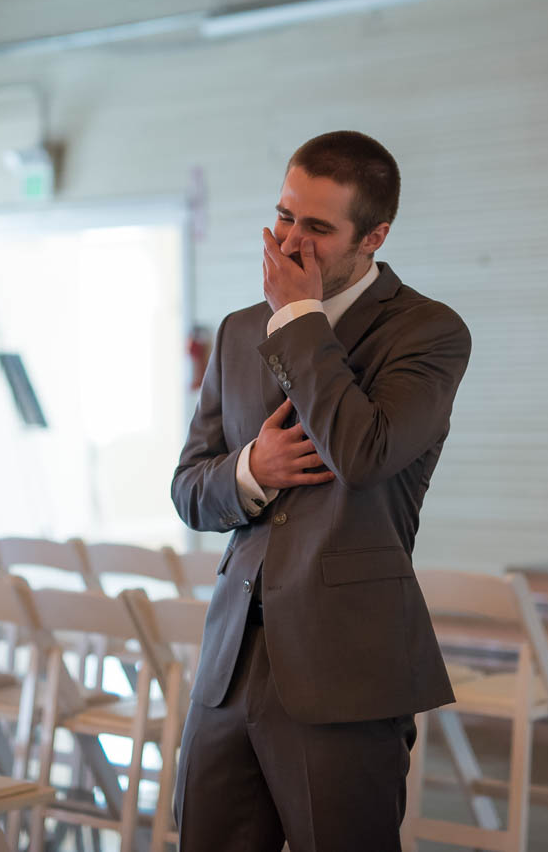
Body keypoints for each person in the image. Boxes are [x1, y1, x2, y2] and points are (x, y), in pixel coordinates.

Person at [170, 130, 473, 850]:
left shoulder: (427, 332)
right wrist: (251, 470)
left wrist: (301, 317)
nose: (290, 241)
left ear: (374, 236)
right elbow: (189, 488)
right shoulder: (240, 330)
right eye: (283, 216)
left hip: (345, 666)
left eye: (317, 227)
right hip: (231, 665)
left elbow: (363, 452)